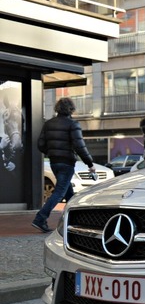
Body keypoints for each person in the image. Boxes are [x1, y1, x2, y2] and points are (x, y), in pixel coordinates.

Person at [33, 97, 95, 233]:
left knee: (69, 194)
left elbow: (40, 144)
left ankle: (74, 220)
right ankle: (40, 218)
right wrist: (90, 163)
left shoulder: (48, 124)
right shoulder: (73, 124)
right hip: (67, 163)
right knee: (60, 192)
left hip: (54, 162)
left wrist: (52, 153)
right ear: (71, 109)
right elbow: (80, 146)